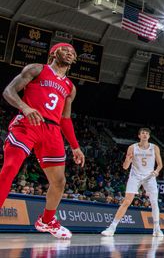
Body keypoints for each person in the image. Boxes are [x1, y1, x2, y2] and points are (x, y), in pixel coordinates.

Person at [0, 43, 85, 239]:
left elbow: (65, 119)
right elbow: (8, 91)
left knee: (59, 181)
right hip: (28, 124)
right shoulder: (37, 69)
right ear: (54, 53)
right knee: (10, 168)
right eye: (66, 50)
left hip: (53, 131)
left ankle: (46, 221)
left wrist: (75, 146)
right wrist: (25, 107)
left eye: (73, 52)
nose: (70, 53)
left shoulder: (70, 87)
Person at [101, 127, 164, 237]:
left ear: (149, 136)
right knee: (126, 201)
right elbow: (125, 167)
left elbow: (160, 164)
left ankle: (157, 229)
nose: (145, 135)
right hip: (135, 176)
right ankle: (112, 228)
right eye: (143, 133)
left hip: (149, 176)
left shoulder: (154, 148)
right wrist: (128, 159)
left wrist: (157, 171)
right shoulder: (132, 147)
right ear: (139, 136)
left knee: (154, 202)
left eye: (147, 133)